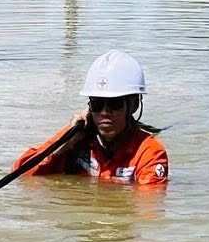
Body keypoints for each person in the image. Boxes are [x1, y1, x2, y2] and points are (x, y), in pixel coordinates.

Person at [14, 50, 169, 186]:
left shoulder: (149, 152)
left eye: (114, 104)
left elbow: (147, 206)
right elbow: (21, 173)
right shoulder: (77, 141)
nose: (104, 112)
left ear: (133, 105)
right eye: (97, 104)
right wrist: (64, 140)